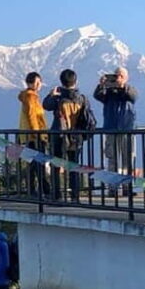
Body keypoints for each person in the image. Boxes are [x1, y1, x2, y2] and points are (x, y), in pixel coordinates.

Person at [43, 69, 95, 202]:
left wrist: (51, 95)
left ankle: (56, 196)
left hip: (58, 135)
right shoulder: (82, 98)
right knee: (74, 166)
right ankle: (75, 196)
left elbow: (46, 105)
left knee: (56, 165)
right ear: (75, 81)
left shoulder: (58, 98)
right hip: (75, 136)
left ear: (61, 82)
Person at [94, 67, 138, 176]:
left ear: (126, 78)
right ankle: (113, 187)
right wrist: (101, 85)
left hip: (127, 129)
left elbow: (133, 97)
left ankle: (128, 186)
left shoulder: (130, 90)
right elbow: (97, 96)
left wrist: (122, 87)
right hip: (111, 128)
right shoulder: (108, 92)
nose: (118, 78)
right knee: (111, 158)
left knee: (128, 158)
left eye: (121, 76)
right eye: (116, 76)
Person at [18, 71, 50, 195]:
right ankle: (44, 189)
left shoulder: (28, 96)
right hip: (34, 136)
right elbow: (32, 117)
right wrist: (37, 134)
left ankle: (32, 190)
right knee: (38, 163)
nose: (39, 85)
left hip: (28, 135)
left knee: (32, 163)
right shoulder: (31, 97)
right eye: (37, 82)